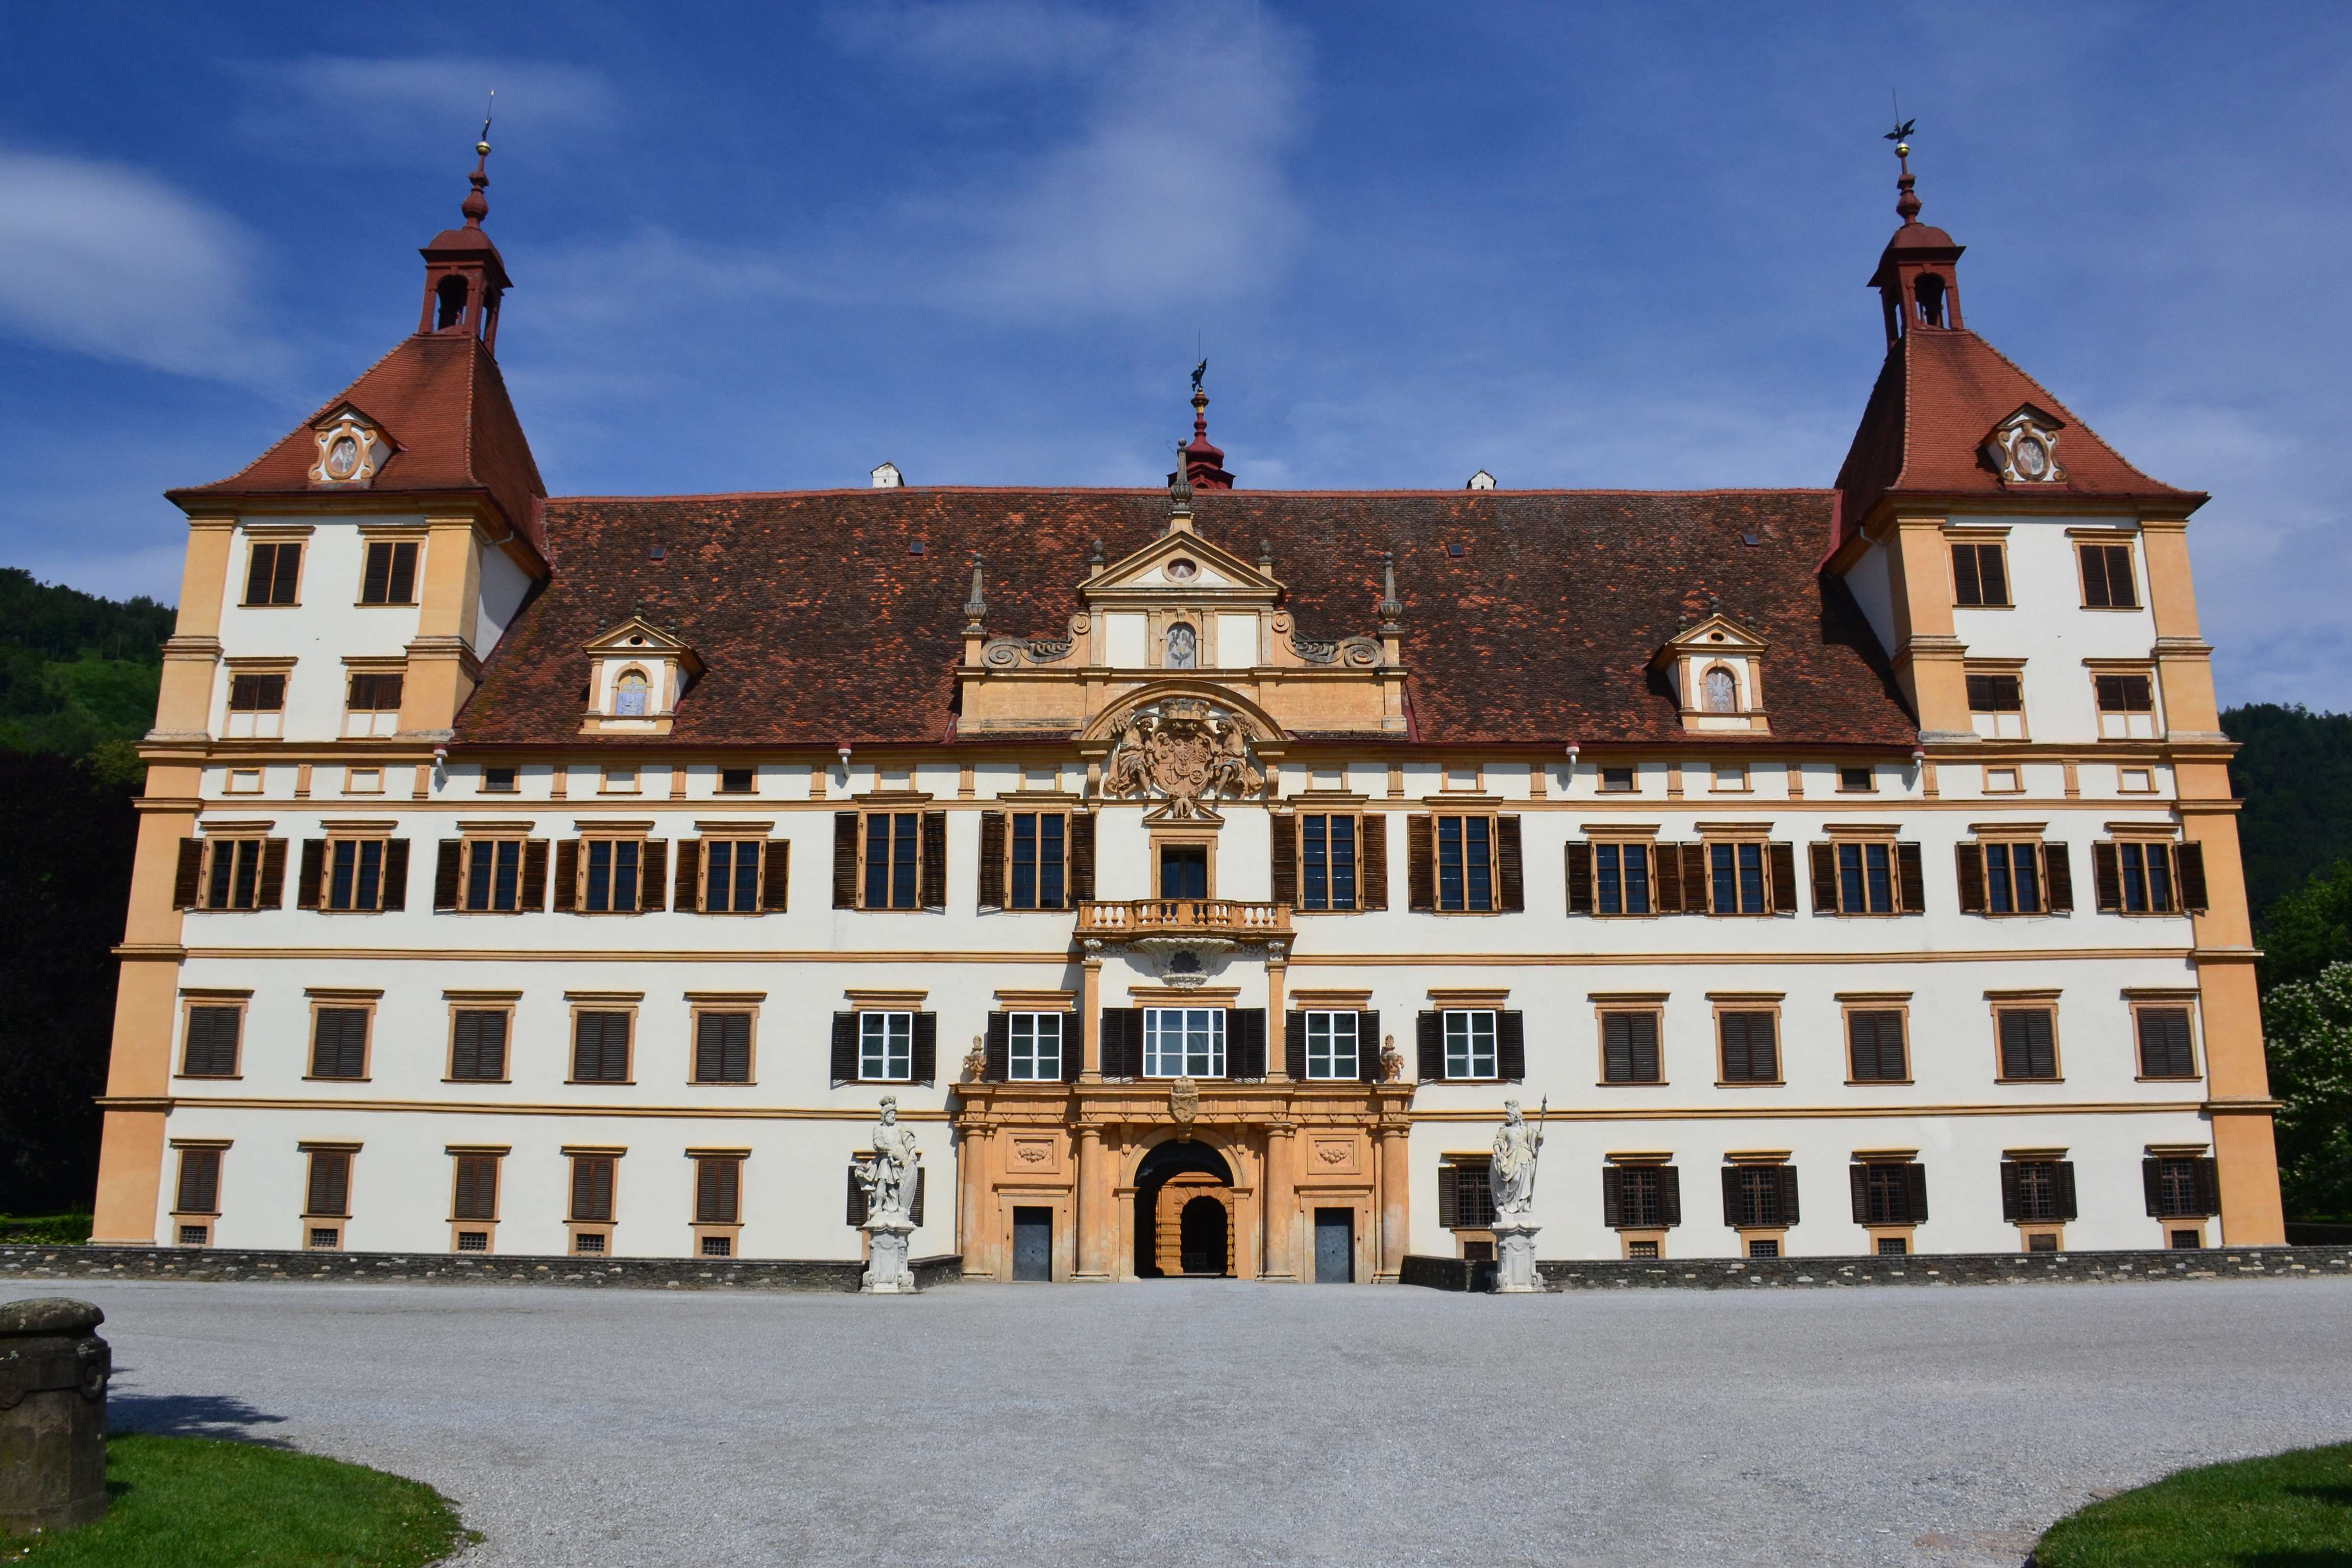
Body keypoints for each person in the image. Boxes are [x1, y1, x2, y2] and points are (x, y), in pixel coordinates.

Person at [1490, 1098, 1542, 1216]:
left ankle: (1522, 1204)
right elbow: (1498, 1142)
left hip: (1526, 1157)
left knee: (1526, 1181)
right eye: (1508, 1115)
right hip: (1512, 1159)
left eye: (1510, 1115)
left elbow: (1535, 1142)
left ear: (1517, 1116)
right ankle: (1506, 1204)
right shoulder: (1506, 1130)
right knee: (1515, 1180)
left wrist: (1540, 1137)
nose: (1508, 1118)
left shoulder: (1527, 1129)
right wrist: (1498, 1153)